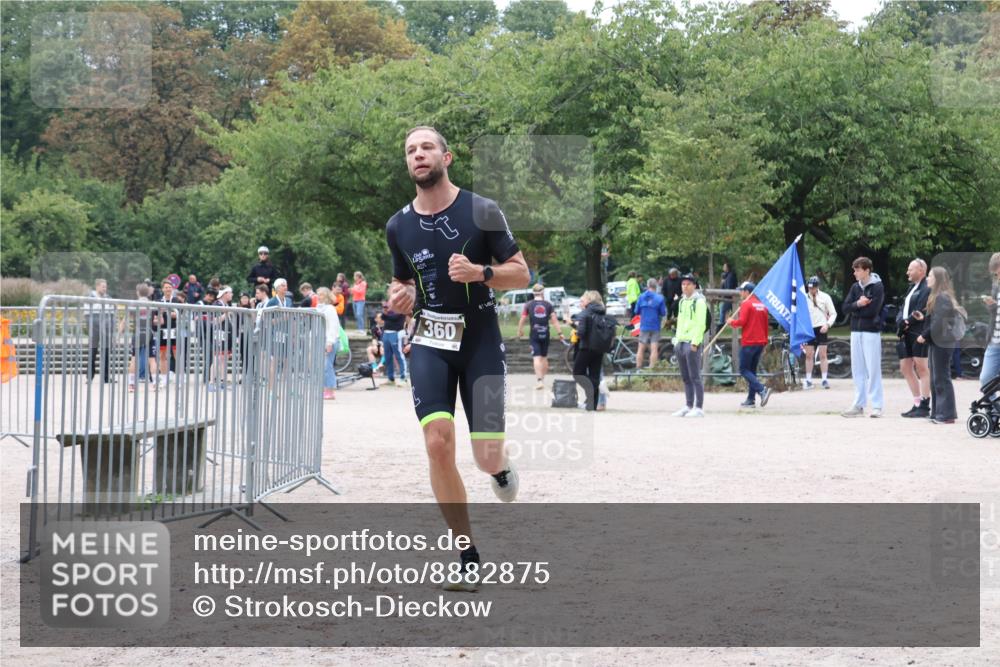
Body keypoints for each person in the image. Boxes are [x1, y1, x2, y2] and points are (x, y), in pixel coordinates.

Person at [385, 125, 530, 591]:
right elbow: (404, 282)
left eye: (426, 147)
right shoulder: (398, 226)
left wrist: (481, 272)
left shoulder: (482, 211)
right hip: (431, 338)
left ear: (446, 158)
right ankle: (467, 555)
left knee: (484, 455)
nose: (418, 154)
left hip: (481, 340)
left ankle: (500, 466)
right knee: (437, 443)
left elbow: (522, 274)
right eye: (411, 150)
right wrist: (400, 296)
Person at [916, 266, 965, 424]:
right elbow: (935, 319)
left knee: (942, 377)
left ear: (937, 279)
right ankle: (938, 413)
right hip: (937, 341)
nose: (927, 278)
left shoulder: (942, 297)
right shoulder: (936, 296)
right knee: (936, 377)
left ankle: (947, 414)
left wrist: (924, 335)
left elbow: (939, 322)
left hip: (942, 342)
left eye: (930, 276)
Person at [841, 257, 885, 418]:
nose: (855, 273)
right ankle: (858, 404)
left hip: (871, 332)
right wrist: (858, 304)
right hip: (855, 331)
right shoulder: (854, 287)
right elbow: (845, 308)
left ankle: (877, 405)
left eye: (858, 269)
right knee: (857, 369)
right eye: (854, 269)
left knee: (873, 369)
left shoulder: (878, 287)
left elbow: (873, 311)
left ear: (866, 270)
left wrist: (856, 309)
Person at [896, 259, 931, 417]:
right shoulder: (911, 288)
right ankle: (917, 403)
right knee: (905, 367)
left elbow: (920, 310)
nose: (907, 272)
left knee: (921, 367)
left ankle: (925, 404)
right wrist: (900, 322)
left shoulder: (926, 288)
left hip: (917, 332)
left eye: (911, 269)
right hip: (906, 333)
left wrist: (907, 322)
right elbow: (902, 308)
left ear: (921, 271)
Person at [728, 281, 771, 408]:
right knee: (752, 371)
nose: (740, 293)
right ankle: (751, 399)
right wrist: (765, 341)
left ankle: (762, 390)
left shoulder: (746, 304)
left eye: (741, 290)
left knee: (744, 370)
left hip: (749, 342)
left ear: (747, 291)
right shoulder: (762, 305)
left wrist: (731, 322)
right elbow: (765, 326)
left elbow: (742, 322)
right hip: (760, 342)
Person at [672, 273, 708, 417]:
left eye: (688, 284)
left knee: (695, 376)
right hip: (680, 341)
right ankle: (688, 404)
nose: (685, 286)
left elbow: (700, 324)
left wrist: (695, 342)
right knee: (685, 377)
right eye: (683, 284)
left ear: (694, 286)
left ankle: (698, 407)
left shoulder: (699, 302)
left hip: (691, 343)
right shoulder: (682, 302)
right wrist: (676, 339)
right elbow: (680, 322)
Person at [517, 284, 564, 390]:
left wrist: (520, 330)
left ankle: (539, 381)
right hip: (545, 333)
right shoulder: (548, 305)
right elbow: (554, 320)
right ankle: (542, 379)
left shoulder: (528, 305)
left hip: (534, 334)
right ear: (543, 293)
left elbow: (523, 318)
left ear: (533, 293)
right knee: (544, 357)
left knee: (536, 358)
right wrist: (560, 333)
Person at [571, 291, 608, 411]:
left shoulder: (586, 312)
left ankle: (591, 389)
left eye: (583, 300)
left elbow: (581, 333)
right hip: (599, 348)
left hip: (586, 347)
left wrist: (575, 328)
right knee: (595, 375)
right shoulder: (602, 311)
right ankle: (592, 405)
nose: (581, 302)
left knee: (578, 373)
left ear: (589, 300)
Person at [122, 282, 159, 392]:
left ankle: (131, 385)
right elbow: (159, 321)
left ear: (138, 292)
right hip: (149, 331)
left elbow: (125, 320)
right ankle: (155, 384)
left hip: (138, 332)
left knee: (134, 359)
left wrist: (121, 331)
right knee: (152, 360)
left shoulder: (133, 304)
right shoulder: (152, 304)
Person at [803, 276, 837, 389]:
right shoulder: (804, 297)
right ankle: (808, 380)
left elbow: (833, 313)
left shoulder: (825, 297)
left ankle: (824, 379)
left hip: (821, 327)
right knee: (809, 354)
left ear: (817, 287)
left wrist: (827, 325)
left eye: (813, 288)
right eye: (809, 288)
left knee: (823, 354)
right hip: (809, 329)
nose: (811, 290)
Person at [86, 278, 115, 383]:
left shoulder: (109, 298)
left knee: (106, 352)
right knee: (92, 351)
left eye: (106, 286)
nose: (105, 288)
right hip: (94, 328)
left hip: (106, 328)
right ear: (97, 286)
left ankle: (106, 377)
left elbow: (112, 314)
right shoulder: (90, 297)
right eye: (103, 286)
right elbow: (86, 314)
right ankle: (89, 377)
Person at [633, 278, 666, 370]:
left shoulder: (641, 297)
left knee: (641, 348)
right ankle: (652, 369)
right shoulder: (660, 298)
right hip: (655, 325)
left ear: (647, 286)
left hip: (644, 325)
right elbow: (663, 313)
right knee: (654, 348)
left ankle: (638, 368)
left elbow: (636, 311)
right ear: (656, 286)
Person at [156, 278, 185, 383]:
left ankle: (181, 376)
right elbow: (157, 316)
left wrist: (167, 312)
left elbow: (177, 315)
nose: (168, 289)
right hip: (163, 330)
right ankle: (164, 377)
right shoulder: (159, 301)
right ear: (162, 289)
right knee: (162, 354)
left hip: (174, 330)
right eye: (166, 287)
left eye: (170, 287)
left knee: (176, 353)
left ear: (172, 289)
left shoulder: (176, 300)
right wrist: (163, 314)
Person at [316, 287, 341, 400]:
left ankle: (330, 391)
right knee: (323, 366)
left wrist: (330, 342)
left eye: (321, 294)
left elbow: (333, 326)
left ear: (326, 296)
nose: (318, 296)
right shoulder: (319, 308)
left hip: (330, 341)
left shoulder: (330, 308)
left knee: (327, 366)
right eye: (318, 294)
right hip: (321, 340)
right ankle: (325, 389)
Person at [980, 253, 1000, 390]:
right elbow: (995, 312)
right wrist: (992, 305)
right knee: (986, 378)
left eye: (998, 272)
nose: (997, 277)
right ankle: (995, 408)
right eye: (995, 274)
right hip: (995, 339)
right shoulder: (996, 285)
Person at [382, 304, 408, 387]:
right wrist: (385, 312)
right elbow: (383, 317)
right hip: (386, 333)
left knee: (399, 355)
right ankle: (390, 379)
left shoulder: (402, 307)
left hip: (396, 333)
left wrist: (386, 314)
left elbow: (394, 318)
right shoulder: (390, 309)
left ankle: (403, 378)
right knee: (388, 357)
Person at [719, 262, 738, 326]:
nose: (723, 267)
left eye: (724, 266)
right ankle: (723, 323)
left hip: (729, 296)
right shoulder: (725, 276)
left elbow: (729, 286)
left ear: (727, 268)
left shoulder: (731, 275)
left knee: (723, 310)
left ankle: (721, 325)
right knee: (726, 310)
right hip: (727, 296)